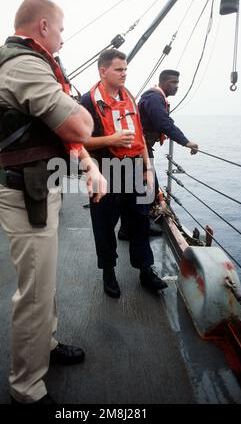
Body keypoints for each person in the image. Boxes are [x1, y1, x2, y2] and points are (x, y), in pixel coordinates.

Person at [0, 0, 106, 405]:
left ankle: (45, 345)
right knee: (34, 292)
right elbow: (80, 125)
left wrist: (88, 165)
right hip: (25, 193)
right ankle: (26, 388)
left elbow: (60, 133)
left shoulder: (29, 64)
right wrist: (81, 119)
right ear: (44, 27)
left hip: (38, 188)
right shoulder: (23, 65)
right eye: (62, 29)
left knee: (43, 280)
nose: (64, 38)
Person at [82, 49, 168, 299]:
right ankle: (108, 273)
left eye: (126, 70)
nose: (124, 74)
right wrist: (112, 138)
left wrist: (147, 168)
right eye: (119, 70)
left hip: (132, 169)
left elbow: (139, 134)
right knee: (104, 224)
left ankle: (145, 270)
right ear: (103, 71)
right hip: (104, 170)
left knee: (141, 220)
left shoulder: (129, 96)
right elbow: (78, 142)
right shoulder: (88, 102)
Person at [118, 69, 198, 240]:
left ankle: (126, 229)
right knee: (148, 189)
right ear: (163, 83)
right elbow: (163, 122)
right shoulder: (155, 98)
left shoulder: (153, 97)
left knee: (137, 190)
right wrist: (186, 141)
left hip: (139, 147)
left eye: (177, 82)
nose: (176, 86)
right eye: (173, 83)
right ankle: (140, 228)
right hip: (140, 149)